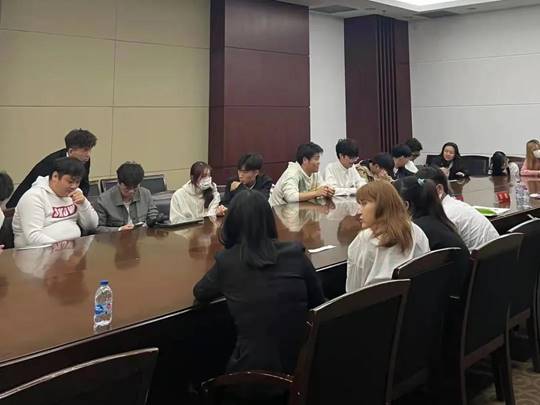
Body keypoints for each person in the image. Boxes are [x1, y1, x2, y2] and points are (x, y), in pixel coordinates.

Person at [193, 190, 325, 379]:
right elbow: (318, 302)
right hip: (303, 366)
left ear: (231, 223)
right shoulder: (295, 254)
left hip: (253, 376)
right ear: (269, 220)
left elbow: (200, 291)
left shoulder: (227, 261)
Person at [346, 181, 430, 292]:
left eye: (364, 204)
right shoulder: (415, 230)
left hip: (373, 301)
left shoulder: (365, 239)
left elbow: (353, 290)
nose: (358, 211)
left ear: (382, 205)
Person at [394, 176, 470, 294]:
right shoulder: (438, 221)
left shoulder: (416, 230)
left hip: (449, 297)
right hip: (460, 293)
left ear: (405, 205)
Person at [12, 157, 99, 248]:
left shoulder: (75, 193)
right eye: (70, 182)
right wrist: (61, 248)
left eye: (77, 182)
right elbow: (33, 236)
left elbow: (92, 226)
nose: (74, 186)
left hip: (71, 249)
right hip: (37, 251)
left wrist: (83, 204)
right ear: (55, 176)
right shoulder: (33, 197)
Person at [7, 129, 97, 208]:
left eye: (90, 150)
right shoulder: (52, 163)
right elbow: (41, 190)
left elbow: (84, 184)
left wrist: (82, 203)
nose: (88, 155)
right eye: (85, 150)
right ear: (70, 151)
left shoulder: (84, 160)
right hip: (23, 203)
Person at [416, 166, 499, 250]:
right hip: (495, 252)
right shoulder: (455, 205)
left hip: (483, 256)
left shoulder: (446, 214)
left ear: (439, 189)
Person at [95, 162, 159, 232]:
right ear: (119, 182)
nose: (131, 191)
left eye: (135, 187)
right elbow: (97, 229)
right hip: (116, 237)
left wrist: (154, 220)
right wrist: (119, 229)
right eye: (127, 188)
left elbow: (153, 214)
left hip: (141, 235)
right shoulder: (104, 200)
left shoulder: (145, 193)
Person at [269, 142, 334, 206]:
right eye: (316, 159)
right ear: (305, 160)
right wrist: (316, 193)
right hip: (278, 209)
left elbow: (322, 187)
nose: (319, 162)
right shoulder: (292, 173)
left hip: (298, 208)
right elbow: (291, 197)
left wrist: (327, 191)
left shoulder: (314, 172)